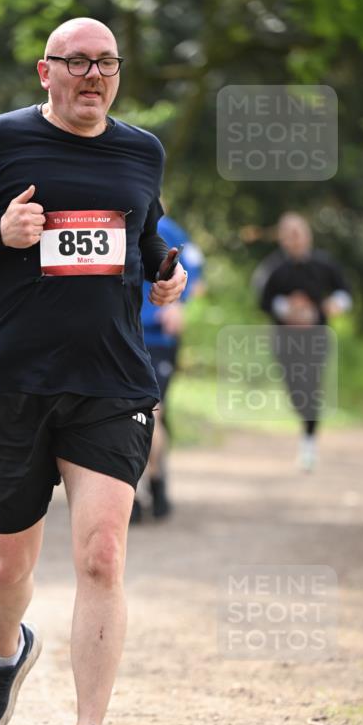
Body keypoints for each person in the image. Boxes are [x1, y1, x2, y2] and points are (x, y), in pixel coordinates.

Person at [0, 18, 187, 725]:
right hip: (13, 379)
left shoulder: (141, 149)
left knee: (102, 554)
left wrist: (163, 274)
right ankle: (6, 651)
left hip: (111, 380)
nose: (93, 75)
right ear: (45, 72)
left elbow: (143, 234)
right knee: (7, 564)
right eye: (77, 63)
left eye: (106, 63)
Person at [255, 213, 352, 471]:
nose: (294, 238)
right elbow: (263, 300)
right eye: (288, 233)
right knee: (295, 388)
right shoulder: (273, 268)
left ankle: (309, 442)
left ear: (307, 234)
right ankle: (305, 424)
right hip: (285, 339)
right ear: (282, 238)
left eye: (298, 232)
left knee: (311, 386)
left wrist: (335, 304)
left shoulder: (324, 264)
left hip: (316, 337)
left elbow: (345, 292)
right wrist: (287, 307)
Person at [131, 215, 204, 522]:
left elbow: (197, 271)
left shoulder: (169, 228)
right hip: (119, 331)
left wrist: (180, 302)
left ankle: (155, 482)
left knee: (151, 410)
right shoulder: (107, 215)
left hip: (158, 335)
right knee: (124, 413)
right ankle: (133, 491)